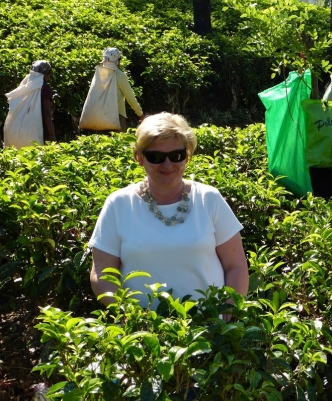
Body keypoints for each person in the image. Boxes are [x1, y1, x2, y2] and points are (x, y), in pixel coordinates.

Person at [88, 112, 249, 309]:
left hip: (208, 328)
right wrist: (129, 316)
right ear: (140, 158)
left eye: (176, 155)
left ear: (187, 156)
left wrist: (228, 311)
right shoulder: (118, 204)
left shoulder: (209, 199)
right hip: (141, 330)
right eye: (156, 156)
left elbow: (236, 266)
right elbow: (102, 273)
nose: (167, 164)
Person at [3, 60, 56, 148]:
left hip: (12, 130)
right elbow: (47, 114)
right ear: (46, 75)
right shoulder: (44, 88)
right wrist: (52, 136)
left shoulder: (24, 86)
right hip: (35, 130)